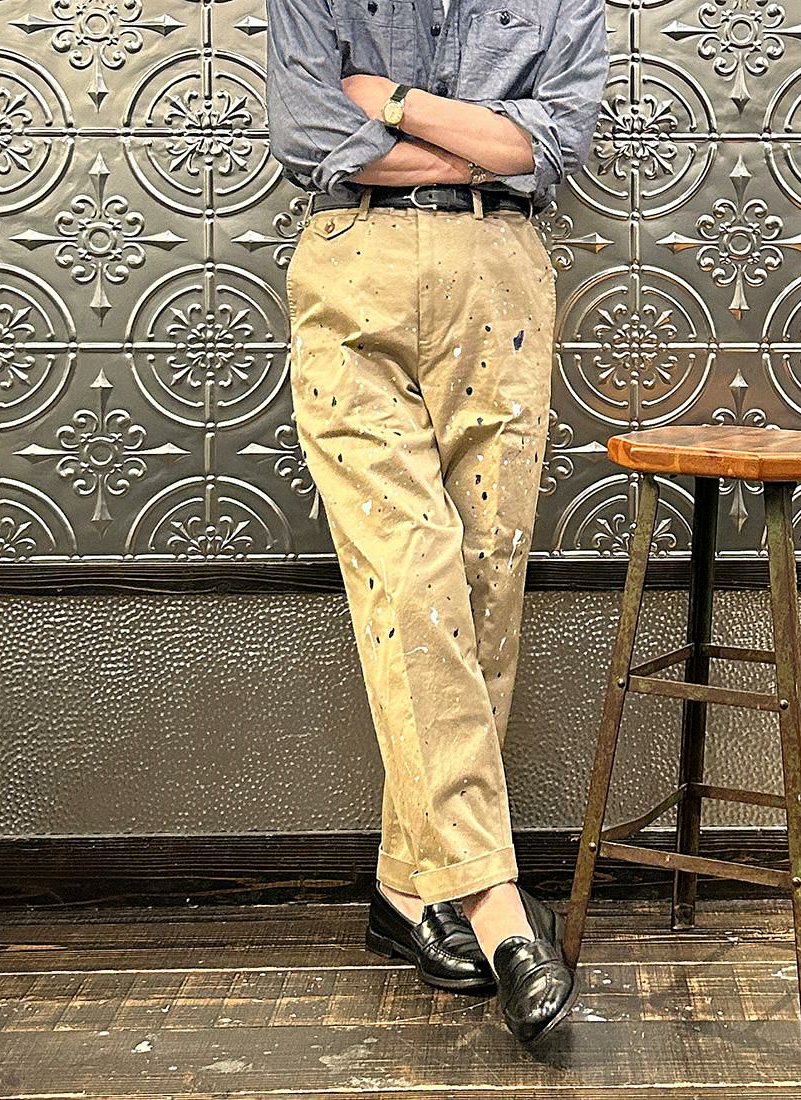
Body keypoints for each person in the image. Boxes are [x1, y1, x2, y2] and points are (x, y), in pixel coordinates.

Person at [264, 0, 609, 1044]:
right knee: (408, 577)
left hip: (502, 276)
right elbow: (309, 133)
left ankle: (407, 889)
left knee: (482, 590)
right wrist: (482, 144)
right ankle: (495, 904)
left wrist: (397, 104)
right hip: (352, 270)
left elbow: (552, 145)